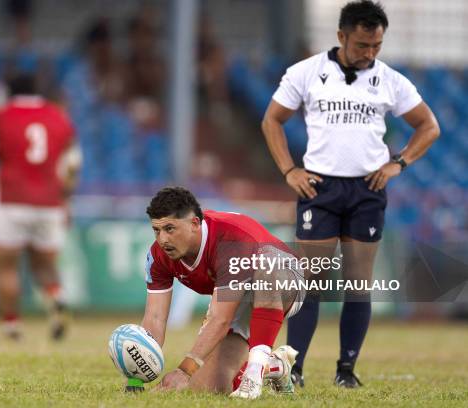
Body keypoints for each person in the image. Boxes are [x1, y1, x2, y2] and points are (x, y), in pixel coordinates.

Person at [261, 0, 440, 388]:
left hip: (367, 189)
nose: (369, 54)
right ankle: (295, 369)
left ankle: (346, 371)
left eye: (376, 46)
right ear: (342, 36)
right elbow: (272, 119)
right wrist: (289, 169)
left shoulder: (390, 80)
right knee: (309, 281)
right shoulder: (307, 72)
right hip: (319, 187)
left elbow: (428, 126)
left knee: (358, 283)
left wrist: (399, 163)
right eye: (362, 45)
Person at [141, 186, 305, 398]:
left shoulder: (230, 239)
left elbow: (220, 320)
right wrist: (138, 369)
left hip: (284, 278)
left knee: (267, 268)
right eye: (156, 230)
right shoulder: (158, 256)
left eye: (170, 229)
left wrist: (183, 370)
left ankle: (254, 372)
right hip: (234, 295)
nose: (162, 239)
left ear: (194, 224)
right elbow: (155, 317)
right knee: (209, 387)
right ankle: (274, 366)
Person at [0, 73, 82, 340]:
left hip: (10, 201)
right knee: (44, 266)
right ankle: (57, 299)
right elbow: (72, 163)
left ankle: (11, 326)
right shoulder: (59, 117)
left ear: (8, 91)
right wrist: (66, 200)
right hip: (49, 203)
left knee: (6, 267)